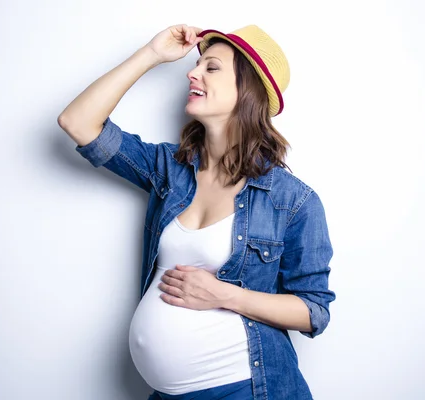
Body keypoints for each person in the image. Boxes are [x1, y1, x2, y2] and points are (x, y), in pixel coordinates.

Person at [58, 24, 336, 400]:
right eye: (197, 65)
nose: (192, 73)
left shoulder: (293, 200)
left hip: (247, 390)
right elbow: (78, 122)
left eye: (212, 67)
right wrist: (152, 53)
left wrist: (224, 295)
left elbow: (313, 311)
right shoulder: (169, 170)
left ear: (247, 90)